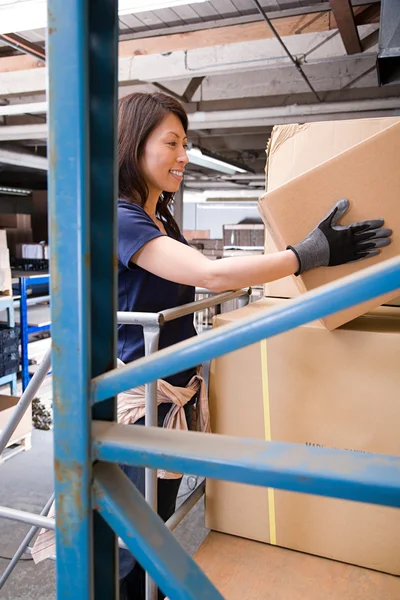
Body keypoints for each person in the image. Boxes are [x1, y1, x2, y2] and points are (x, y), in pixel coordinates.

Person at [117, 92, 392, 599]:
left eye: (187, 143)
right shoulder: (121, 218)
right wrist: (304, 255)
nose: (184, 155)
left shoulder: (162, 220)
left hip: (173, 398)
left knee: (156, 531)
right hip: (137, 406)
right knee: (131, 546)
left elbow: (211, 279)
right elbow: (211, 274)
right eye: (171, 142)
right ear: (133, 146)